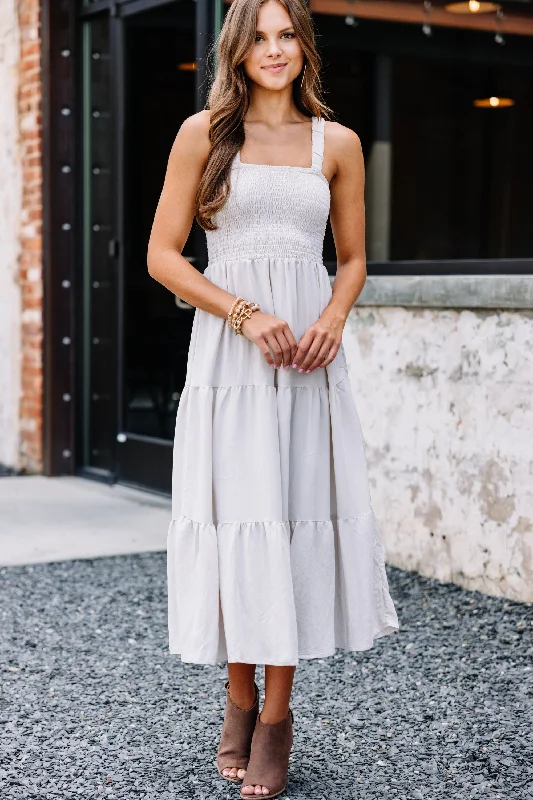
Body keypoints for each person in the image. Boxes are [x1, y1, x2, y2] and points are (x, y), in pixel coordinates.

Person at [147, 0, 399, 796]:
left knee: (288, 525)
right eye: (259, 36)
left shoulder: (339, 144)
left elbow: (353, 259)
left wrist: (329, 320)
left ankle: (276, 716)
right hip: (229, 362)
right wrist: (246, 314)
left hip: (306, 370)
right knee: (235, 524)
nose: (275, 48)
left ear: (305, 46)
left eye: (287, 34)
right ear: (236, 48)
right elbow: (163, 255)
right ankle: (236, 693)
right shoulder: (204, 134)